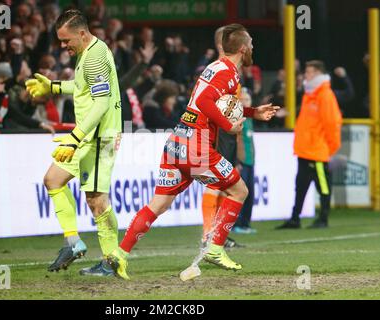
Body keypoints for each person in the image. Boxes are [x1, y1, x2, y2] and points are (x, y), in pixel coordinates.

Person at [106, 24, 279, 280]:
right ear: (243, 49)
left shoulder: (215, 67)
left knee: (159, 203)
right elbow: (205, 102)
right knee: (239, 190)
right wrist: (228, 125)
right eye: (251, 43)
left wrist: (253, 112)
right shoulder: (229, 74)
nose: (253, 47)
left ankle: (119, 255)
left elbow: (218, 104)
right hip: (196, 147)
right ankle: (216, 248)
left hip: (177, 141)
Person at [25, 9, 122, 276]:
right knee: (53, 180)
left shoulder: (95, 57)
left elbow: (102, 102)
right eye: (60, 41)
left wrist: (74, 138)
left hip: (99, 138)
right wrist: (52, 87)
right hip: (86, 137)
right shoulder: (87, 54)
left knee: (96, 200)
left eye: (66, 40)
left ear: (82, 33)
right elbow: (81, 87)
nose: (63, 45)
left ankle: (112, 262)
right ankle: (73, 242)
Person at [276, 60, 342, 229]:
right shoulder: (310, 94)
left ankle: (323, 218)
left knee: (323, 186)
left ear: (319, 74)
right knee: (300, 185)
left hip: (318, 151)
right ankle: (295, 218)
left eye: (310, 72)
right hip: (305, 150)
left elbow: (333, 123)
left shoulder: (325, 95)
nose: (306, 75)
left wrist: (330, 148)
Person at [201, 26, 239, 248]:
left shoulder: (229, 69)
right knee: (214, 183)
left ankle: (217, 234)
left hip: (227, 132)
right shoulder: (215, 70)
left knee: (226, 184)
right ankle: (208, 235)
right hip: (215, 132)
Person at [233, 88, 256, 234]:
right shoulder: (237, 119)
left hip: (250, 161)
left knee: (250, 193)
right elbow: (234, 141)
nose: (246, 103)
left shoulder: (250, 119)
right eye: (243, 100)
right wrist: (236, 161)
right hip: (241, 161)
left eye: (248, 100)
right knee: (240, 193)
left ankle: (246, 223)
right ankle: (236, 224)